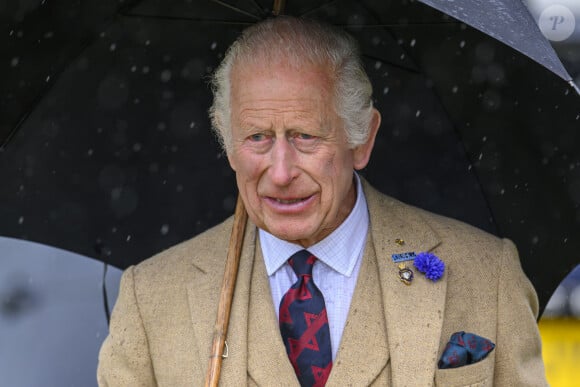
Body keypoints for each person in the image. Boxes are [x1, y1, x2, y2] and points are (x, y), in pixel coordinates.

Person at [97, 16, 547, 386]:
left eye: (305, 136)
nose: (280, 172)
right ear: (228, 145)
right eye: (256, 137)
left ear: (362, 140)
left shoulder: (488, 278)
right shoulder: (151, 299)